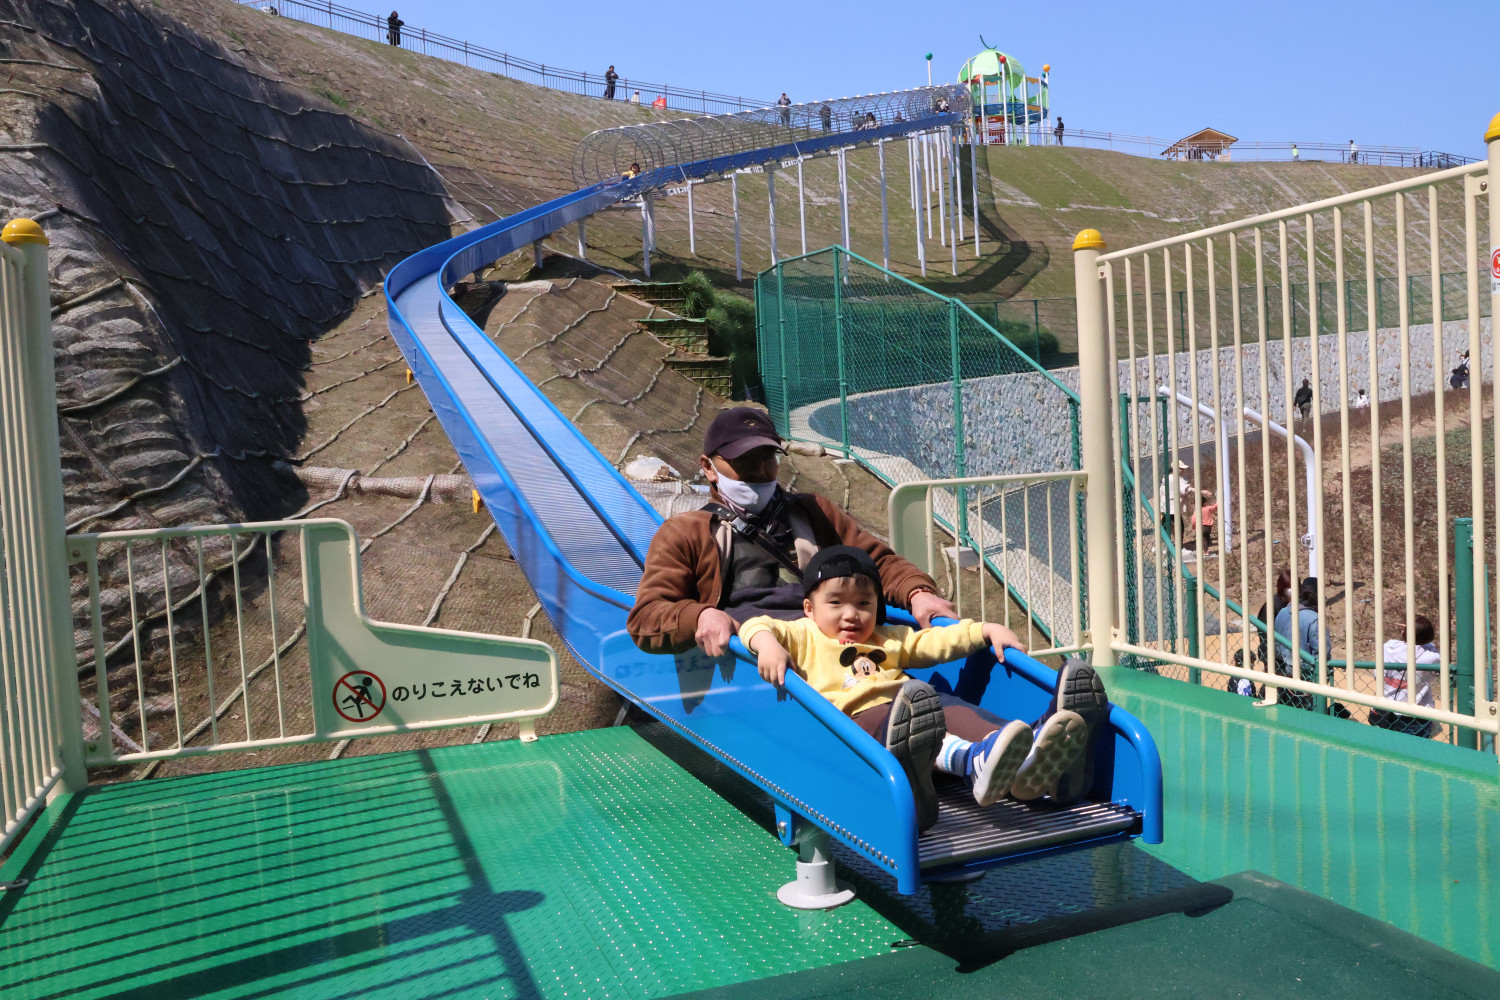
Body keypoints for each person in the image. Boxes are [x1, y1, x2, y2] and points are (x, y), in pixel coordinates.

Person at [741, 546, 1103, 828]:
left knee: (952, 708)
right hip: (857, 722)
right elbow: (754, 625)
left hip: (911, 704)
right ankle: (972, 761)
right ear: (809, 607)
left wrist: (984, 630)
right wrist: (767, 644)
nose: (851, 614)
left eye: (864, 603)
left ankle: (1035, 753)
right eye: (835, 603)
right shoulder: (802, 634)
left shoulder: (886, 636)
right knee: (913, 722)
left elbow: (935, 642)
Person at [628, 408, 959, 655]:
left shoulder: (812, 512)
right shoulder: (685, 533)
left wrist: (918, 592)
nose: (760, 471)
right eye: (745, 461)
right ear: (708, 468)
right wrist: (700, 616)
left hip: (832, 647)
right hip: (762, 661)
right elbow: (646, 618)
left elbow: (876, 562)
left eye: (768, 458)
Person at [1369, 615, 1439, 738]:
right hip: (1415, 714)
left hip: (1384, 707)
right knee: (1415, 747)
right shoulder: (1431, 657)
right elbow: (1433, 649)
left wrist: (1407, 631)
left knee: (1383, 743)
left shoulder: (1388, 648)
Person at [1273, 577, 1329, 711]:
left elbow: (1276, 644)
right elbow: (1322, 654)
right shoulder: (1314, 619)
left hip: (1284, 674)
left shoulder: (1282, 613)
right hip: (1307, 678)